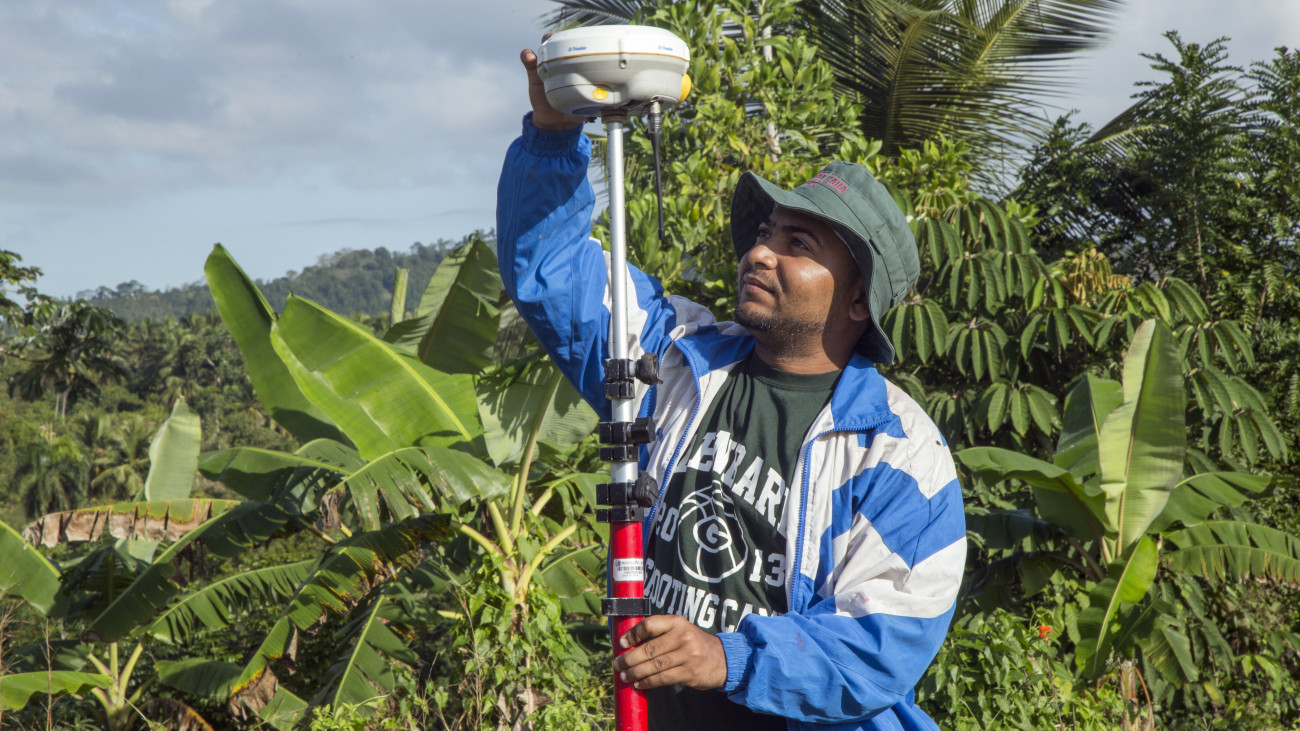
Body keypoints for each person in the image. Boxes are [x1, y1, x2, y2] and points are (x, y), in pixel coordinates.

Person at [496, 45, 966, 731]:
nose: (761, 252)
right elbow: (555, 270)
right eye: (766, 231)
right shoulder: (671, 358)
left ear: (858, 299)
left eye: (798, 243)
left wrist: (728, 656)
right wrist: (553, 134)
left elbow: (883, 641)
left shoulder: (901, 453)